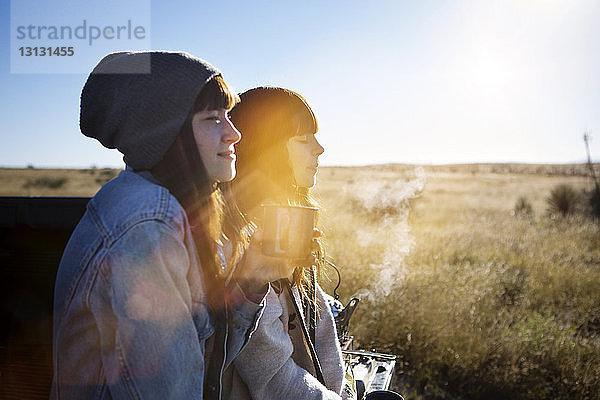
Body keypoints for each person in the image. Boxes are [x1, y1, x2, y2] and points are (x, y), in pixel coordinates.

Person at [50, 51, 286, 400]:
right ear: (164, 134)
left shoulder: (165, 207)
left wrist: (250, 283)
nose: (234, 133)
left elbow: (200, 362)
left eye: (228, 115)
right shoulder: (149, 222)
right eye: (212, 119)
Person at [225, 87, 355, 399]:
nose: (320, 148)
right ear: (265, 149)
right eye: (302, 138)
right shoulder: (244, 240)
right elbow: (274, 378)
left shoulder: (286, 222)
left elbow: (319, 328)